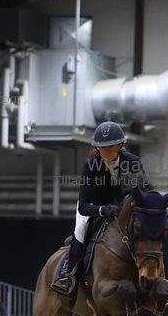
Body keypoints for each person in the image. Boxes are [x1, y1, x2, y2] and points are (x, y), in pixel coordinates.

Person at [51, 121, 152, 296]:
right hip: (94, 207)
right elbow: (84, 206)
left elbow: (146, 192)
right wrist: (102, 210)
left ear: (120, 145)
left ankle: (156, 277)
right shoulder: (90, 165)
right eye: (101, 147)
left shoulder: (133, 162)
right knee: (80, 229)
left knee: (149, 231)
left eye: (109, 147)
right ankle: (68, 275)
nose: (104, 152)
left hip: (122, 208)